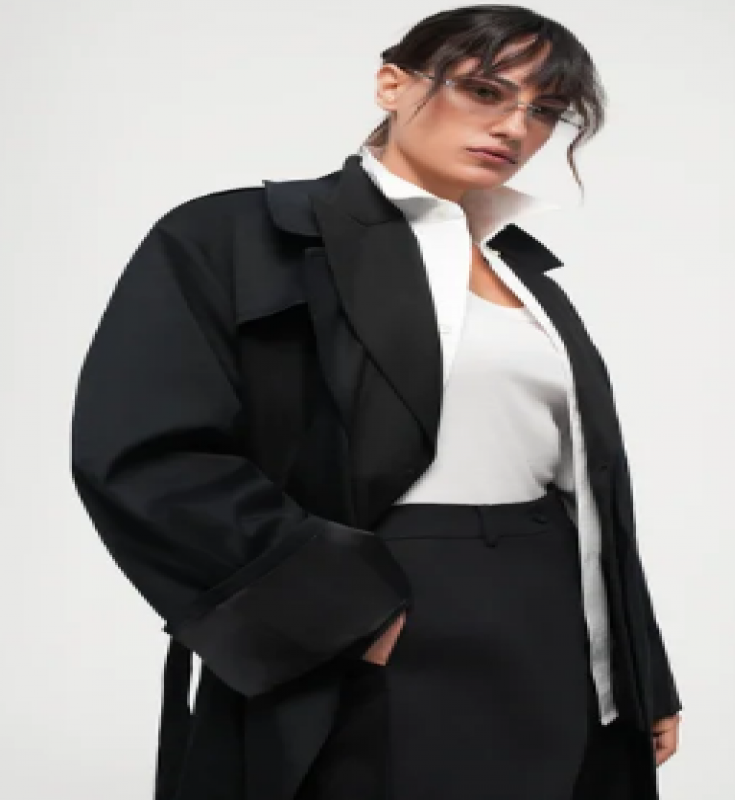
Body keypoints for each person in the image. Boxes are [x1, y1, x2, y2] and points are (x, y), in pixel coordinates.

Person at [70, 5, 682, 800]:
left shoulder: (528, 278)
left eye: (545, 111)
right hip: (373, 607)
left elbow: (593, 494)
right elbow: (146, 452)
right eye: (485, 91)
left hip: (548, 617)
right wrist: (331, 612)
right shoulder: (239, 236)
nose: (515, 127)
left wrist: (638, 667)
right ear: (392, 83)